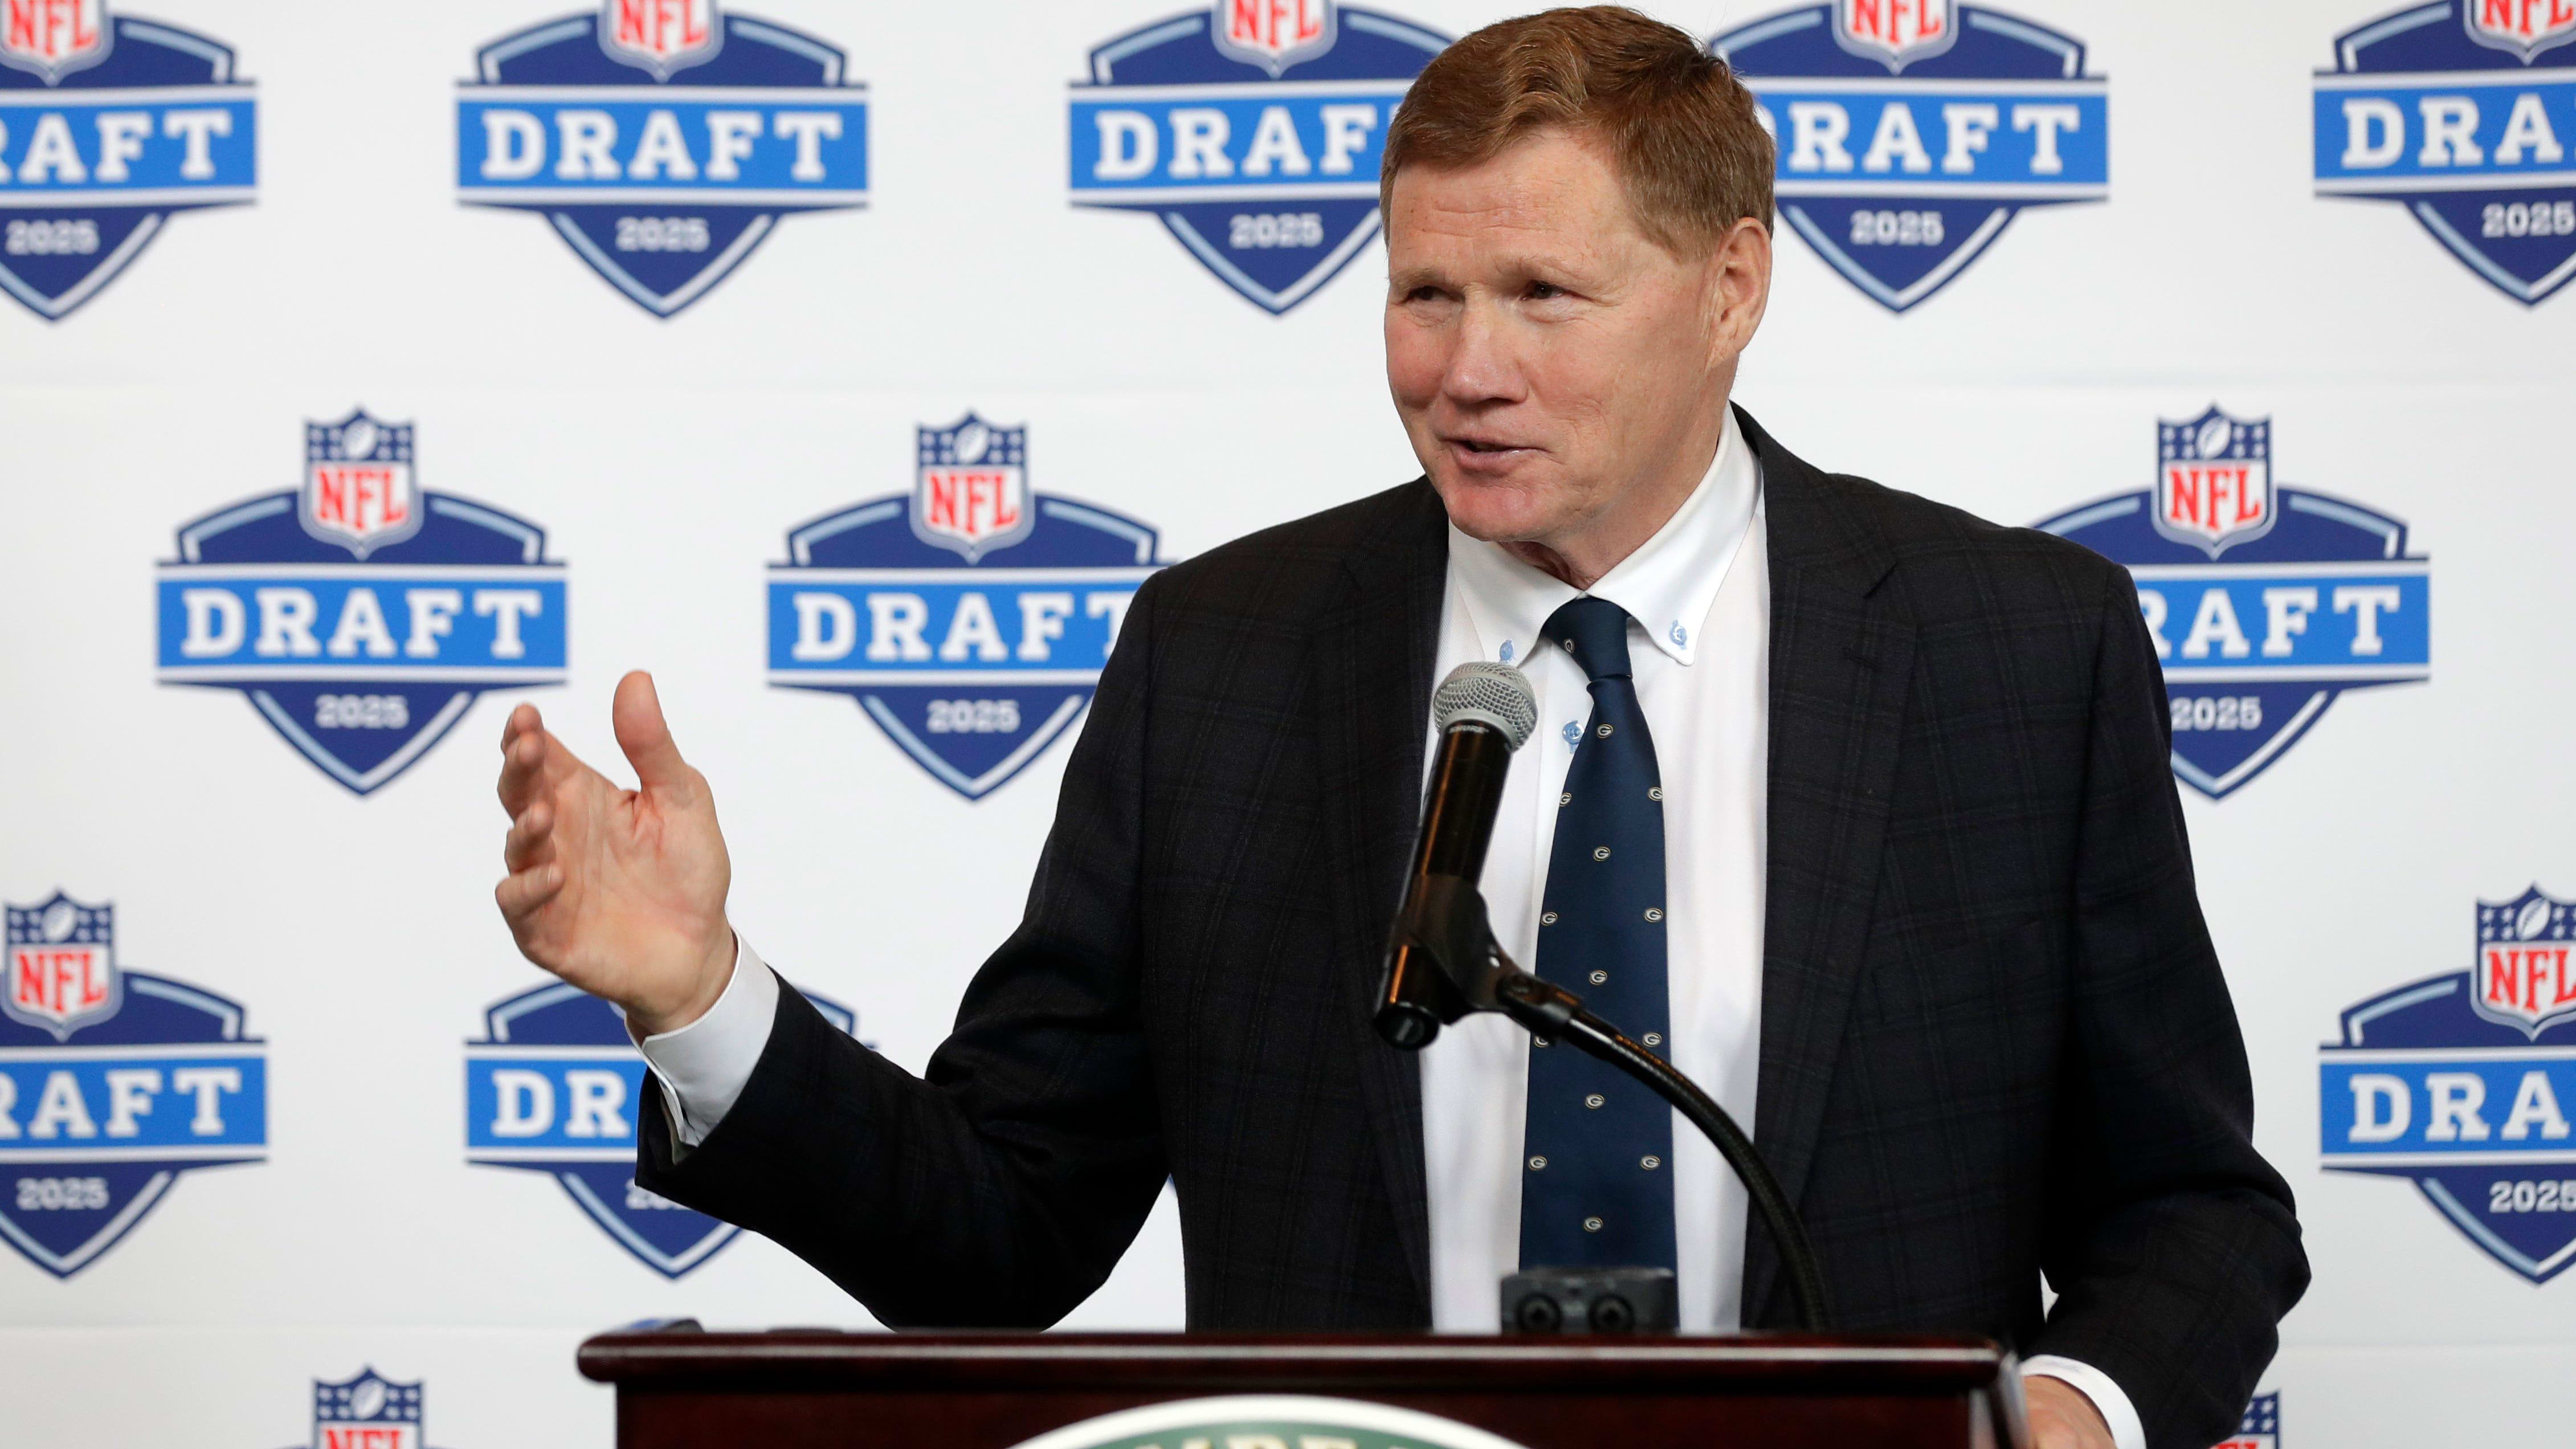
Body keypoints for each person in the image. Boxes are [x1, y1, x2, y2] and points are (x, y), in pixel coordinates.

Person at [491, 10, 2305, 1448]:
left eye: (1542, 297)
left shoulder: (2011, 651)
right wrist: (696, 993)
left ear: (1731, 288)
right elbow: (1002, 1228)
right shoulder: (1225, 655)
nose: (1462, 370)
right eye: (1423, 293)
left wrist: (2067, 1417)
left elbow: (2190, 1209)